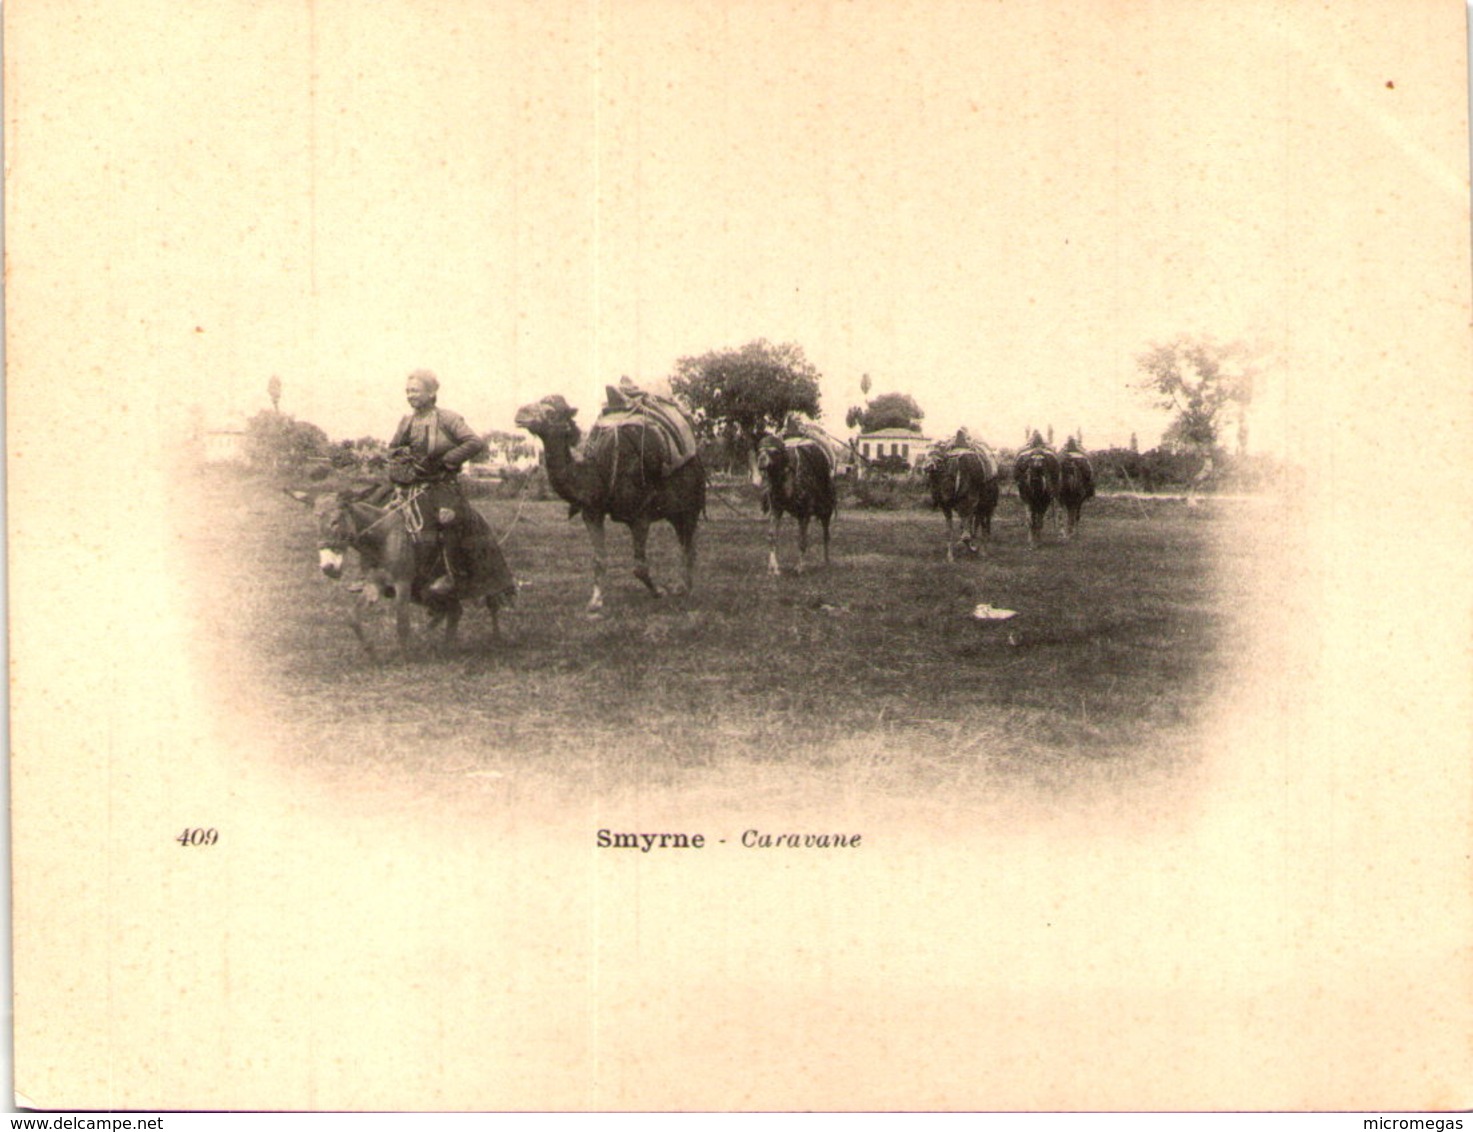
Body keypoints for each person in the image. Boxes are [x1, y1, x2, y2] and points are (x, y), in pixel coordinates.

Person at [386, 370, 512, 602]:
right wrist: (401, 460)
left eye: (415, 390)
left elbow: (474, 442)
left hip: (444, 486)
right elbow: (393, 449)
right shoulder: (407, 422)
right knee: (383, 518)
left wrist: (447, 459)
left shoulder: (448, 418)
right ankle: (383, 575)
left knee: (447, 519)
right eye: (407, 391)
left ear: (432, 393)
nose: (410, 395)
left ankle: (453, 574)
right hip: (414, 486)